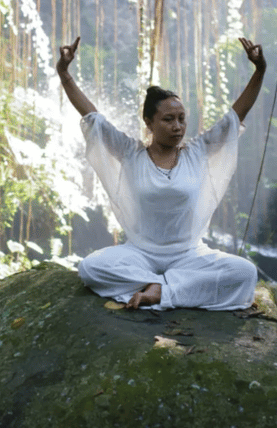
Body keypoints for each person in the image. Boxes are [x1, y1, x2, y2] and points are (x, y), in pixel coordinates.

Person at [57, 36, 266, 310]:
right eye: (168, 119)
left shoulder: (198, 152)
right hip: (140, 254)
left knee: (245, 272)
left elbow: (236, 114)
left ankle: (159, 289)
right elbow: (92, 116)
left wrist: (259, 70)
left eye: (181, 119)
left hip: (189, 254)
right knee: (90, 267)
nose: (177, 126)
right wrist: (64, 73)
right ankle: (166, 285)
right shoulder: (130, 153)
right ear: (149, 122)